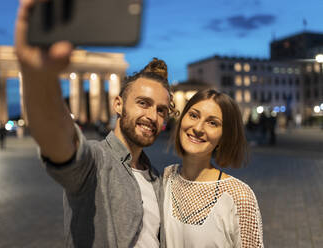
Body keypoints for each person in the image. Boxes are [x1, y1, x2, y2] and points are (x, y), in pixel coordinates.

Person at [15, 1, 176, 247]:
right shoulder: (94, 162)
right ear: (118, 105)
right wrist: (37, 75)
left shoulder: (157, 179)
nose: (153, 116)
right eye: (143, 103)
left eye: (161, 110)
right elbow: (58, 140)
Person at [163, 89, 263, 247]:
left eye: (212, 123)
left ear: (224, 137)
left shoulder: (239, 197)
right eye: (194, 115)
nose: (198, 128)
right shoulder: (165, 178)